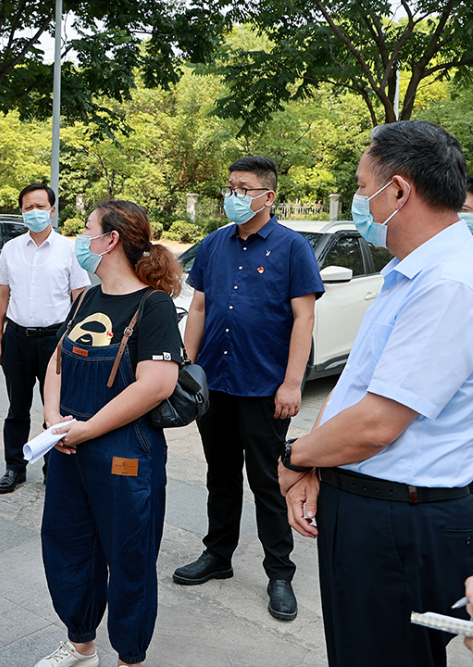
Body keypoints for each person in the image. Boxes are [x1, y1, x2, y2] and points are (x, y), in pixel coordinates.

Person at [280, 120, 473, 667]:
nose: (359, 200)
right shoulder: (408, 274)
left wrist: (291, 457)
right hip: (368, 504)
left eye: (363, 187)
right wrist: (317, 466)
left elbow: (376, 424)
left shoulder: (450, 283)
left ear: (400, 191)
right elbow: (354, 387)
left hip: (402, 520)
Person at [172, 156, 323, 621]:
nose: (234, 195)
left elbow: (304, 317)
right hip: (215, 383)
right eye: (231, 186)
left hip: (264, 387)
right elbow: (198, 308)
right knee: (220, 474)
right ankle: (218, 555)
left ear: (268, 196)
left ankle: (280, 572)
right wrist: (188, 368)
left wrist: (292, 383)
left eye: (244, 188)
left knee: (268, 481)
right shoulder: (214, 244)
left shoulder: (292, 247)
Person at [34, 200, 182, 667]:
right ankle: (81, 645)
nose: (82, 238)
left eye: (88, 229)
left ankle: (129, 658)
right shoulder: (86, 298)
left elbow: (157, 384)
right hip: (68, 445)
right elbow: (57, 359)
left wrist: (87, 430)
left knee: (130, 558)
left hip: (123, 452)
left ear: (111, 240)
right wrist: (54, 418)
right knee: (68, 547)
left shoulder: (153, 305)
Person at [0, 183, 89, 493]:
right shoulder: (11, 249)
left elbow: (81, 297)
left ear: (52, 209)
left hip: (55, 341)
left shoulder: (69, 249)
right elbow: (1, 295)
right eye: (27, 207)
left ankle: (53, 468)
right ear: (21, 211)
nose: (34, 212)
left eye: (40, 206)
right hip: (17, 338)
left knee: (55, 408)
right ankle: (14, 467)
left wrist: (74, 341)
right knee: (16, 408)